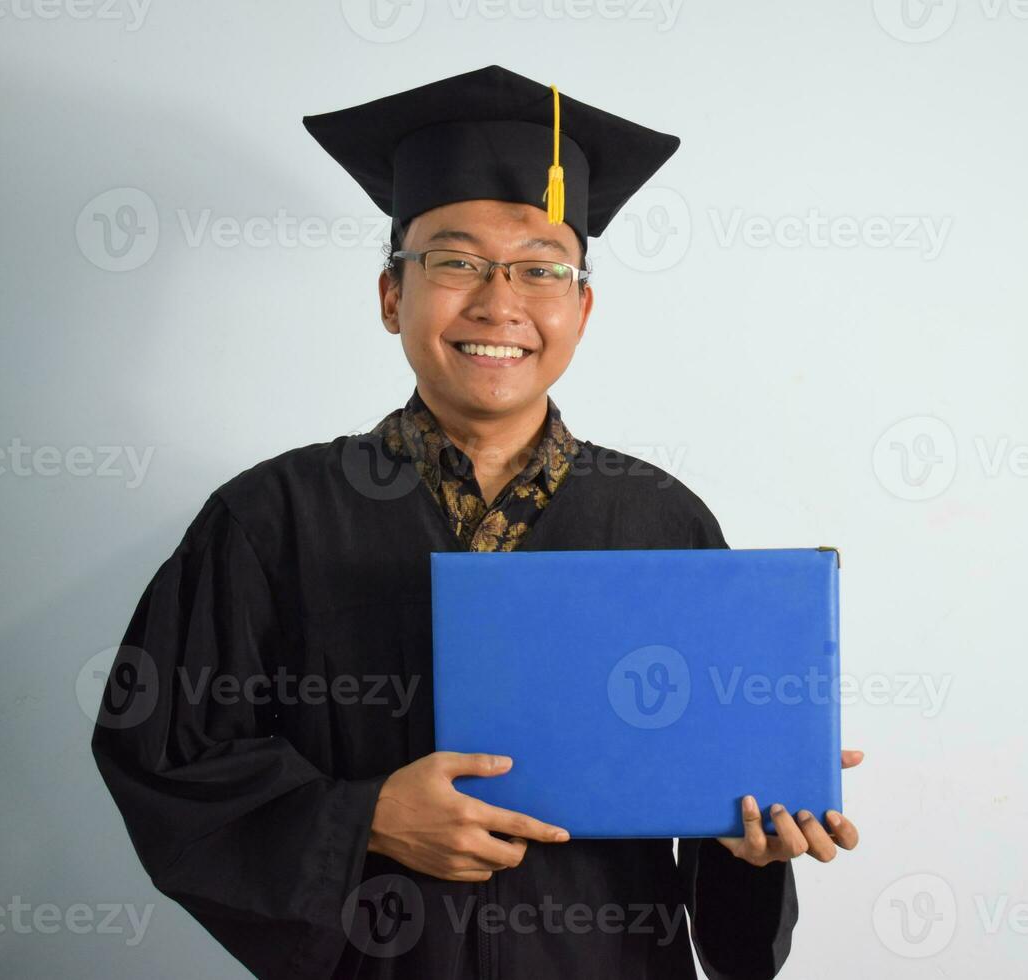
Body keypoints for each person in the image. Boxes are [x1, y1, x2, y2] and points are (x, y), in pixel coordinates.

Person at [90, 65, 862, 979]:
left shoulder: (659, 520)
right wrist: (364, 816)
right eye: (453, 261)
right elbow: (166, 756)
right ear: (391, 296)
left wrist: (753, 837)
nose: (499, 303)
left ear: (581, 308)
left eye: (540, 269)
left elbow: (709, 797)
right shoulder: (271, 519)